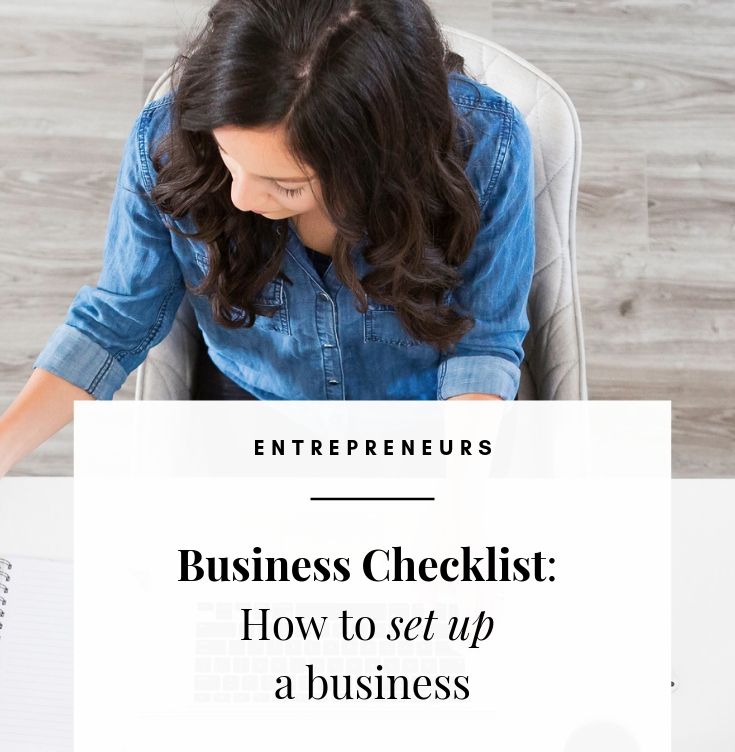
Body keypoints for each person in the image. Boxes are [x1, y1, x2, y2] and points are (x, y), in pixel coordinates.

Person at [0, 0, 535, 475]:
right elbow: (114, 323)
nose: (240, 199)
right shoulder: (168, 145)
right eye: (229, 157)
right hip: (253, 409)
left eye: (287, 185)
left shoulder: (486, 148)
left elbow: (481, 344)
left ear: (377, 163)